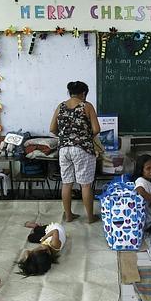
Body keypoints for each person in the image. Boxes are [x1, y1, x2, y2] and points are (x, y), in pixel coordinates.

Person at [49, 81, 101, 223]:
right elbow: (96, 129)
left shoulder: (61, 106)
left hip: (64, 149)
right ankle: (90, 217)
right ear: (83, 93)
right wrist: (84, 136)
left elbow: (52, 129)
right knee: (85, 184)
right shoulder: (87, 106)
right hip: (82, 149)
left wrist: (66, 136)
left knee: (66, 183)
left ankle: (69, 216)